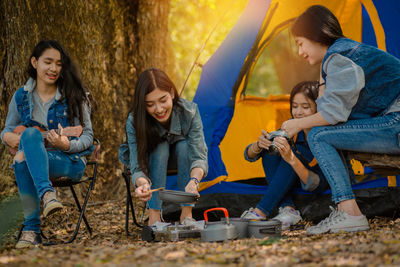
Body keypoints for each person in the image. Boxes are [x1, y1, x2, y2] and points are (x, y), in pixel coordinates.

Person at [281, 5, 400, 234]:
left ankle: (349, 212)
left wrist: (296, 124)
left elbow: (332, 115)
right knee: (325, 132)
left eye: (300, 43)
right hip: (393, 121)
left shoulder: (340, 57)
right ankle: (347, 209)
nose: (300, 52)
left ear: (316, 35)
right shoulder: (337, 56)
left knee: (318, 134)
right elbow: (333, 114)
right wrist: (322, 79)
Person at [1, 40, 94, 248]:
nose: (53, 69)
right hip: (36, 161)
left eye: (59, 64)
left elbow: (87, 137)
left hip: (69, 160)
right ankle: (48, 195)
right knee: (29, 139)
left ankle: (31, 228)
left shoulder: (74, 95)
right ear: (35, 62)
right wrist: (6, 137)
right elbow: (8, 129)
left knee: (21, 160)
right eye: (48, 62)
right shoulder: (21, 96)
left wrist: (66, 145)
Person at [118, 68, 208, 227]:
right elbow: (136, 166)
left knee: (184, 146)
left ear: (172, 93)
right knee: (160, 148)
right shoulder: (134, 121)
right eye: (150, 104)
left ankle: (186, 215)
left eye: (163, 100)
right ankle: (154, 215)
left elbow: (199, 157)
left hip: (183, 159)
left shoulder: (190, 112)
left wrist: (194, 181)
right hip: (151, 162)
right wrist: (142, 184)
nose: (159, 109)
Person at [241, 81, 328, 229]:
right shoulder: (291, 128)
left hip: (315, 185)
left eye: (305, 107)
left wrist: (291, 159)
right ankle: (288, 209)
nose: (298, 112)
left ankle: (260, 212)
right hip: (289, 179)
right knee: (270, 151)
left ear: (318, 107)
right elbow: (248, 155)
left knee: (292, 152)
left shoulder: (325, 134)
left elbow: (316, 184)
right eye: (294, 106)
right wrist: (258, 145)